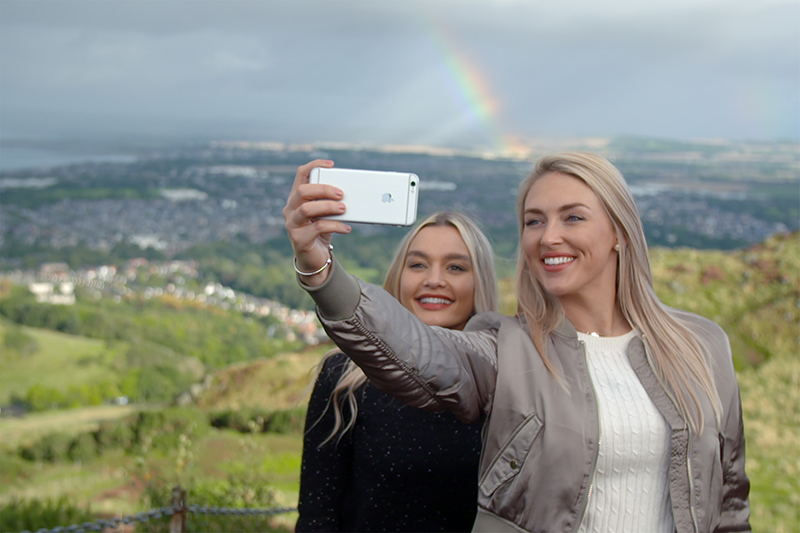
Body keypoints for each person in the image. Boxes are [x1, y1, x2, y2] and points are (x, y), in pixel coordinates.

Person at [284, 154, 751, 533]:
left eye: (573, 217)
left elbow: (729, 504)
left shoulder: (702, 346)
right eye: (534, 221)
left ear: (619, 233)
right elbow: (415, 350)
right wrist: (320, 268)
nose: (550, 236)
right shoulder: (506, 348)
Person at [296, 211, 499, 532]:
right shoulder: (343, 378)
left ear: (480, 282)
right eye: (418, 264)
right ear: (398, 275)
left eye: (456, 267)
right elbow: (316, 516)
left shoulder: (506, 382)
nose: (434, 279)